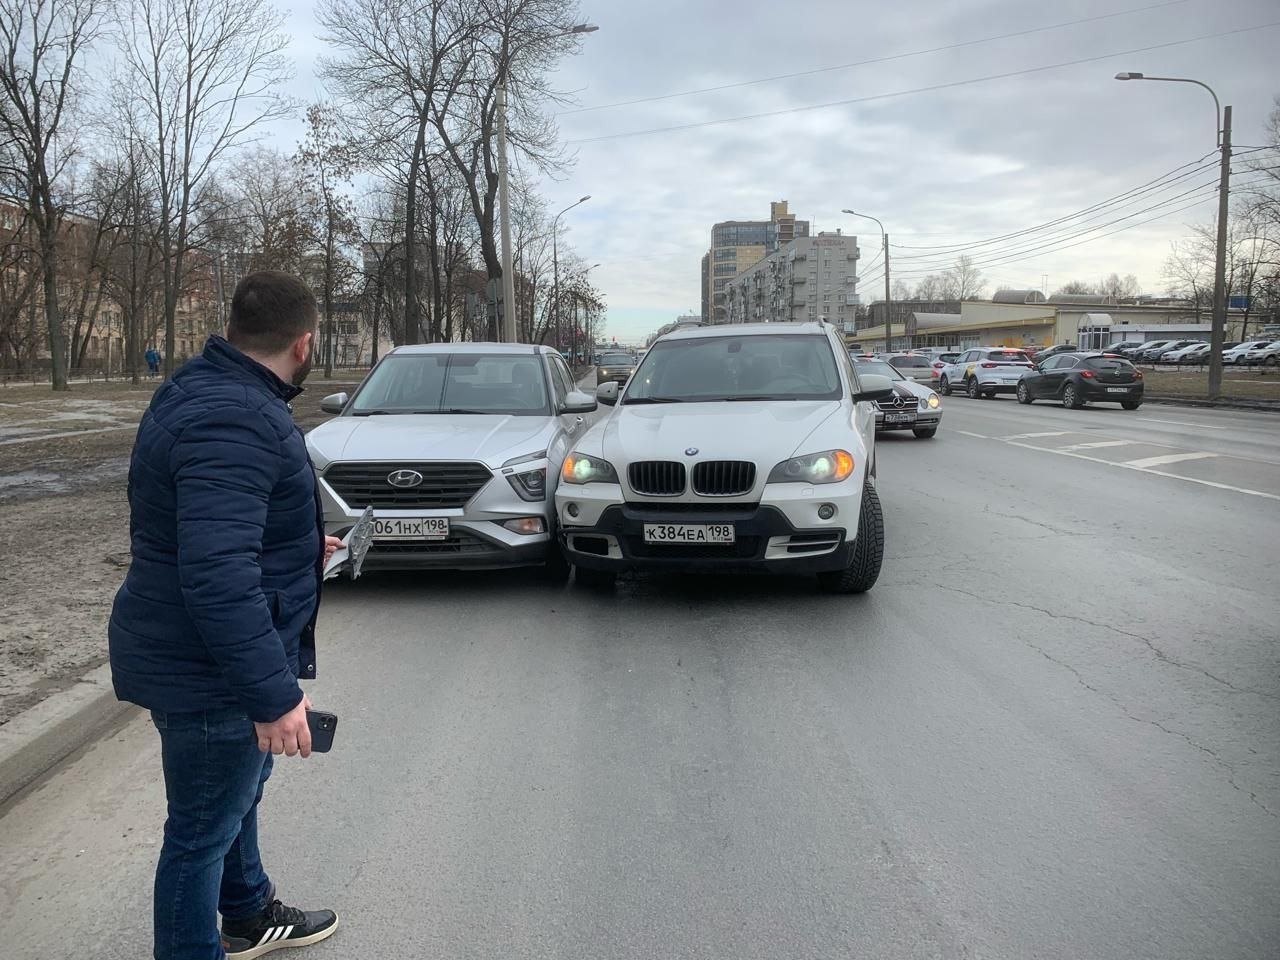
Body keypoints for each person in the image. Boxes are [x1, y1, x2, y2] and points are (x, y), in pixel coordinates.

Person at [109, 271, 343, 960]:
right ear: (304, 344)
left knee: (233, 795)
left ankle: (246, 913)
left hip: (202, 650)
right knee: (200, 832)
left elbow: (210, 529)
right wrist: (272, 698)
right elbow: (215, 574)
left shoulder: (206, 390)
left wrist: (303, 548)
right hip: (208, 664)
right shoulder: (236, 415)